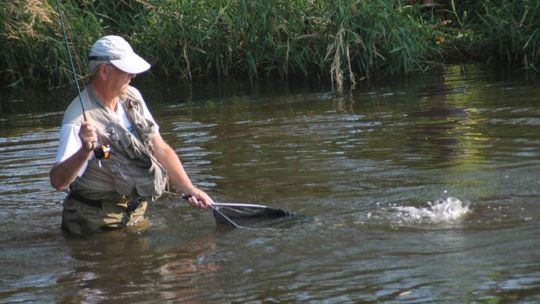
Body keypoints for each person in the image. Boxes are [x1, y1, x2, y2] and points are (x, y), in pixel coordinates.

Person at [50, 35, 213, 235]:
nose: (133, 75)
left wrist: (189, 189)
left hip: (135, 215)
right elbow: (59, 182)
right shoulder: (76, 120)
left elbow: (160, 148)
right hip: (95, 224)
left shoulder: (132, 96)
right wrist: (84, 151)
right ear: (104, 71)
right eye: (126, 70)